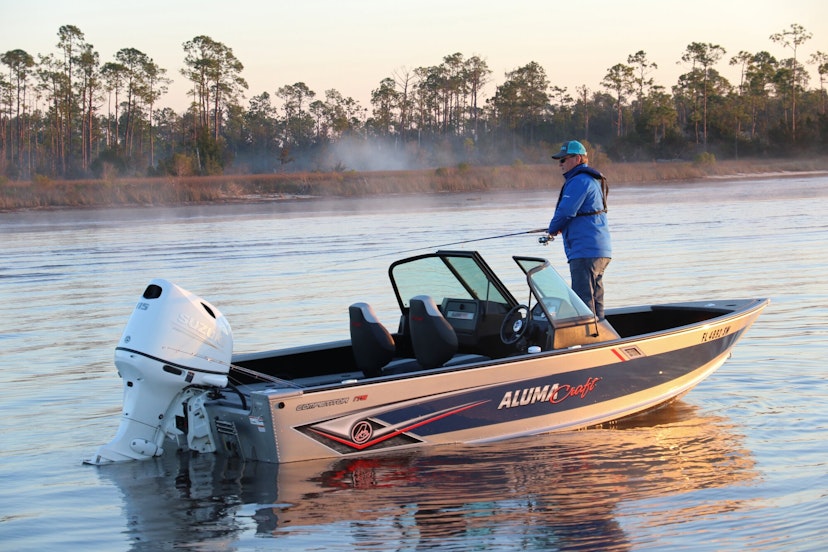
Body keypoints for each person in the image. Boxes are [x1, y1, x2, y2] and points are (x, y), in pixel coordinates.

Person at [546, 140, 611, 319]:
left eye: (563, 159)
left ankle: (591, 342)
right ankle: (603, 338)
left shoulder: (579, 181)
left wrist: (552, 229)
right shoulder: (588, 180)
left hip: (585, 252)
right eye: (559, 160)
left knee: (583, 303)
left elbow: (566, 210)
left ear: (578, 159)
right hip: (597, 250)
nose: (560, 164)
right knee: (595, 300)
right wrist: (560, 227)